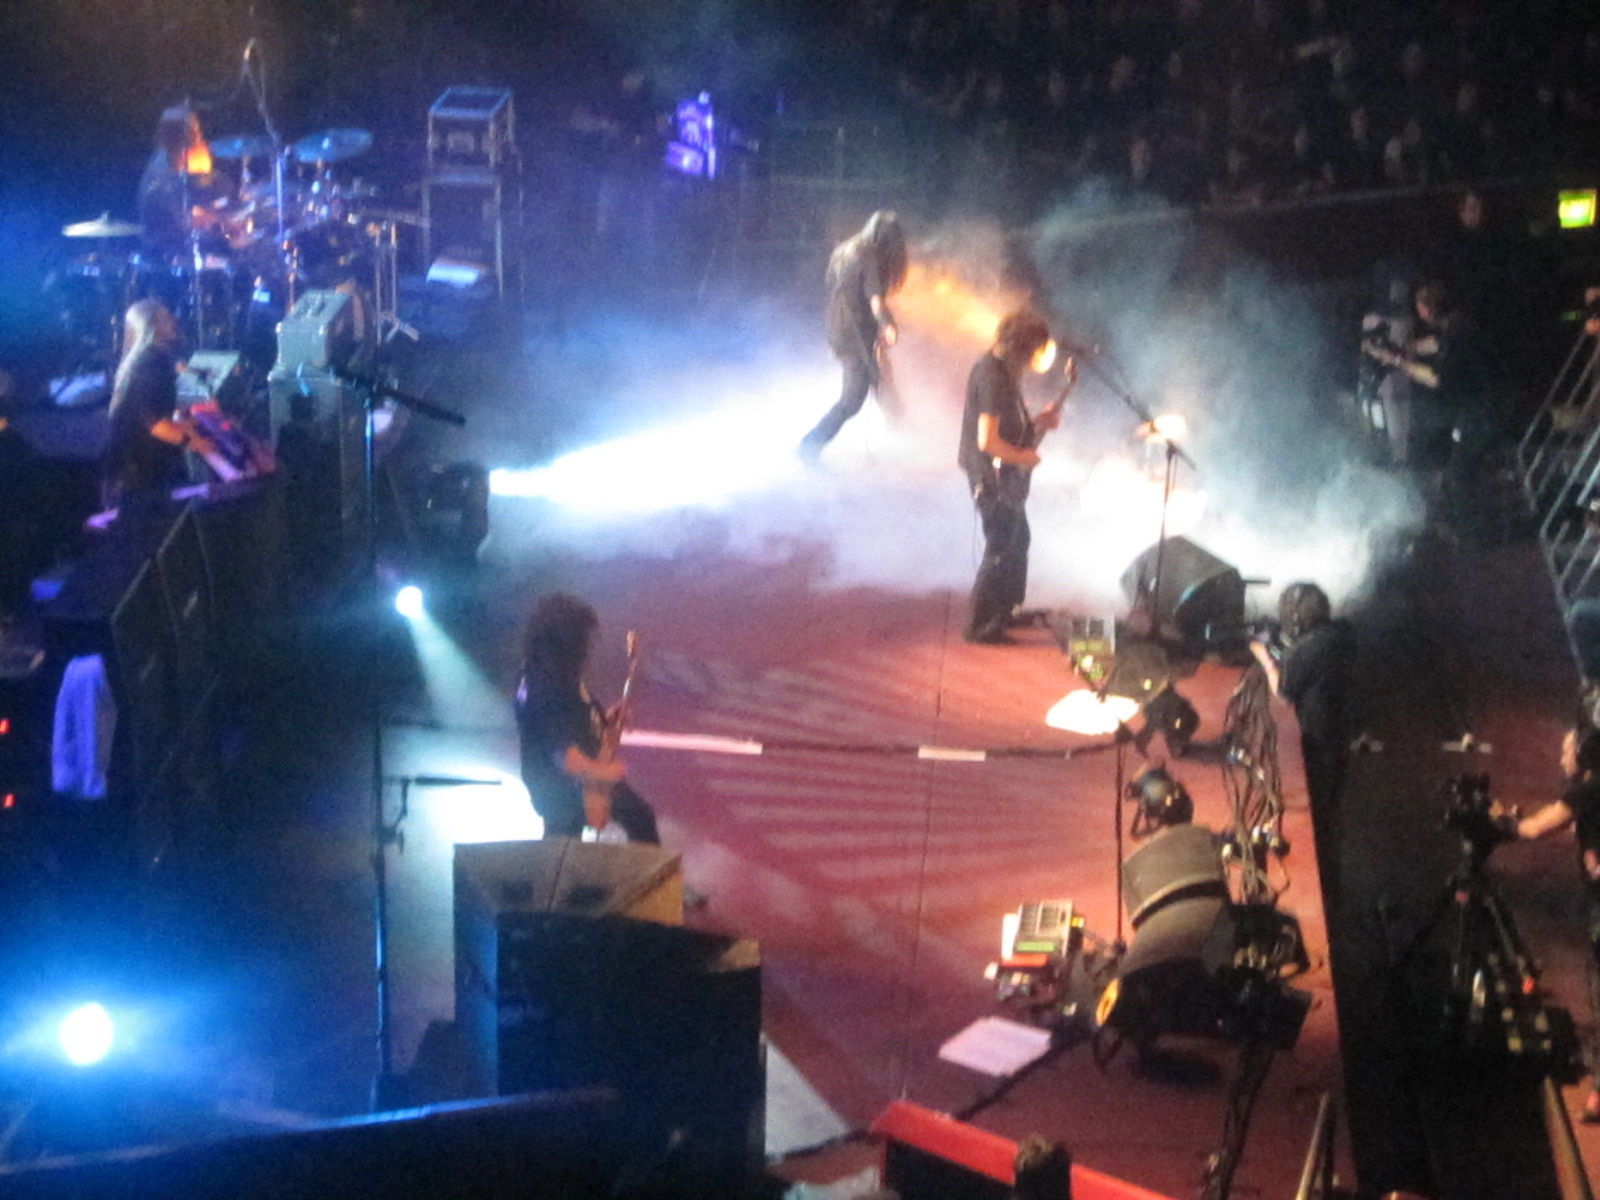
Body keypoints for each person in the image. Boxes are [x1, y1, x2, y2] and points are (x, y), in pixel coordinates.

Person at [957, 308, 1071, 644]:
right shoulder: (993, 377)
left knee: (1018, 540)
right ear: (1023, 347)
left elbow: (1009, 428)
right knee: (1000, 544)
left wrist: (1038, 423)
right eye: (1033, 352)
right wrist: (1023, 457)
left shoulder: (1003, 371)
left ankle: (1004, 610)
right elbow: (987, 441)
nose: (1034, 362)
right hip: (990, 476)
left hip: (1001, 472)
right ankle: (980, 626)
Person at [1505, 723, 1600, 1122]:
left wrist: (1502, 823)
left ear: (1584, 755)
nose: (1561, 758)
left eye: (1567, 751)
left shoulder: (1588, 789)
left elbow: (1539, 828)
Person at [514, 593, 660, 845]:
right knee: (635, 819)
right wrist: (605, 771)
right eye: (584, 642)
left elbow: (579, 718)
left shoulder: (563, 676)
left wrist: (605, 720)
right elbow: (565, 755)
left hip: (571, 784)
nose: (589, 650)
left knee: (568, 841)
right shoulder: (544, 685)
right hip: (562, 787)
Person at [1249, 582, 1356, 898]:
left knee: (1320, 807)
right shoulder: (1339, 636)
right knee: (1332, 803)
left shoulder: (1310, 648)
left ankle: (1328, 880)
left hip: (1320, 737)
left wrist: (1263, 655)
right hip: (1340, 732)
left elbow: (1283, 690)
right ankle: (1333, 869)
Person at [798, 210, 909, 460]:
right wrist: (888, 325)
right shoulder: (868, 257)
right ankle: (809, 446)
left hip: (839, 327)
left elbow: (834, 290)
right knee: (852, 399)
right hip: (855, 333)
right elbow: (876, 302)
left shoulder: (844, 251)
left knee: (878, 381)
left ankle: (900, 437)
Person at [103, 298, 191, 509]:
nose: (173, 321)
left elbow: (149, 406)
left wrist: (182, 420)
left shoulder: (143, 359)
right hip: (138, 471)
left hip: (131, 466)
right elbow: (152, 421)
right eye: (166, 318)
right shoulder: (150, 362)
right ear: (152, 327)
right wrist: (194, 442)